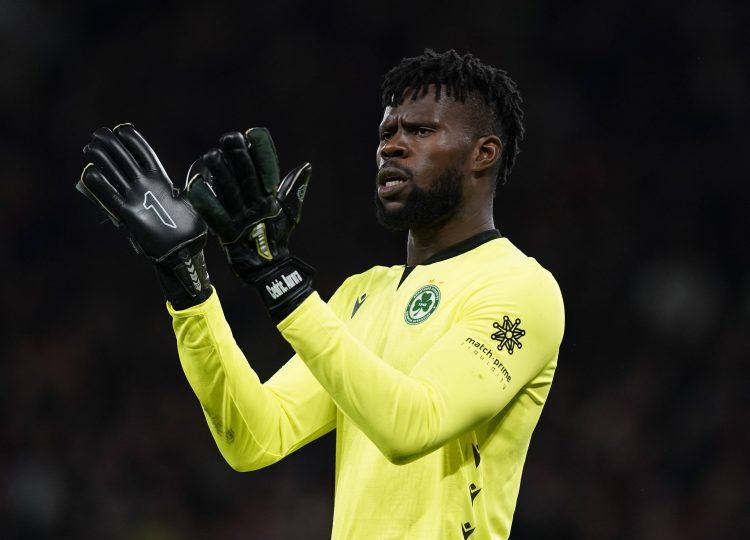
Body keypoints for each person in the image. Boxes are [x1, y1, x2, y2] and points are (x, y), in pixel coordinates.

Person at [77, 49, 564, 540]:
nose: (392, 147)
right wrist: (188, 286)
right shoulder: (362, 293)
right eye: (387, 133)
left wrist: (279, 278)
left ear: (484, 153)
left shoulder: (521, 287)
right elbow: (256, 437)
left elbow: (414, 426)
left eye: (420, 131)